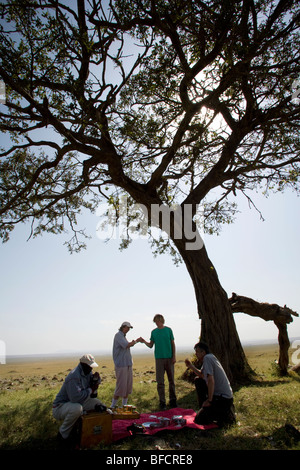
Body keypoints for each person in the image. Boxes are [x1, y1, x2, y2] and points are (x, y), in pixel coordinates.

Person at [52, 354, 107, 446]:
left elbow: (91, 393)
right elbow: (76, 398)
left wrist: (97, 380)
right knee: (77, 409)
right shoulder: (74, 376)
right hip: (60, 407)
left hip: (75, 403)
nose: (91, 369)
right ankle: (63, 435)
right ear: (83, 365)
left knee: (98, 404)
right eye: (90, 366)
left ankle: (84, 430)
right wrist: (91, 389)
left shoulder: (87, 372)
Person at [185, 342, 236, 427]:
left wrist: (209, 400)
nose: (196, 354)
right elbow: (202, 375)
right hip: (225, 397)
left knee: (199, 420)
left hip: (222, 398)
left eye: (197, 352)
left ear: (203, 352)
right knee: (198, 381)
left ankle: (225, 415)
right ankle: (207, 408)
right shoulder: (210, 357)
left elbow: (210, 380)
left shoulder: (207, 358)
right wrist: (191, 366)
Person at [139, 314, 177, 410]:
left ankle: (173, 400)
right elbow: (151, 345)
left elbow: (173, 344)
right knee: (160, 382)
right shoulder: (154, 332)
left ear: (162, 320)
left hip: (169, 358)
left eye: (158, 320)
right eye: (155, 321)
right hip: (159, 359)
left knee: (171, 380)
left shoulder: (168, 330)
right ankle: (162, 402)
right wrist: (144, 341)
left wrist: (174, 356)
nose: (156, 322)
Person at [111, 321, 139, 409]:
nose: (128, 330)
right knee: (121, 385)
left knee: (127, 385)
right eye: (127, 328)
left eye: (129, 328)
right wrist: (136, 341)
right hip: (121, 364)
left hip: (127, 363)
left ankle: (124, 406)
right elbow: (126, 345)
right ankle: (112, 406)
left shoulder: (123, 336)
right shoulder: (118, 335)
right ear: (123, 327)